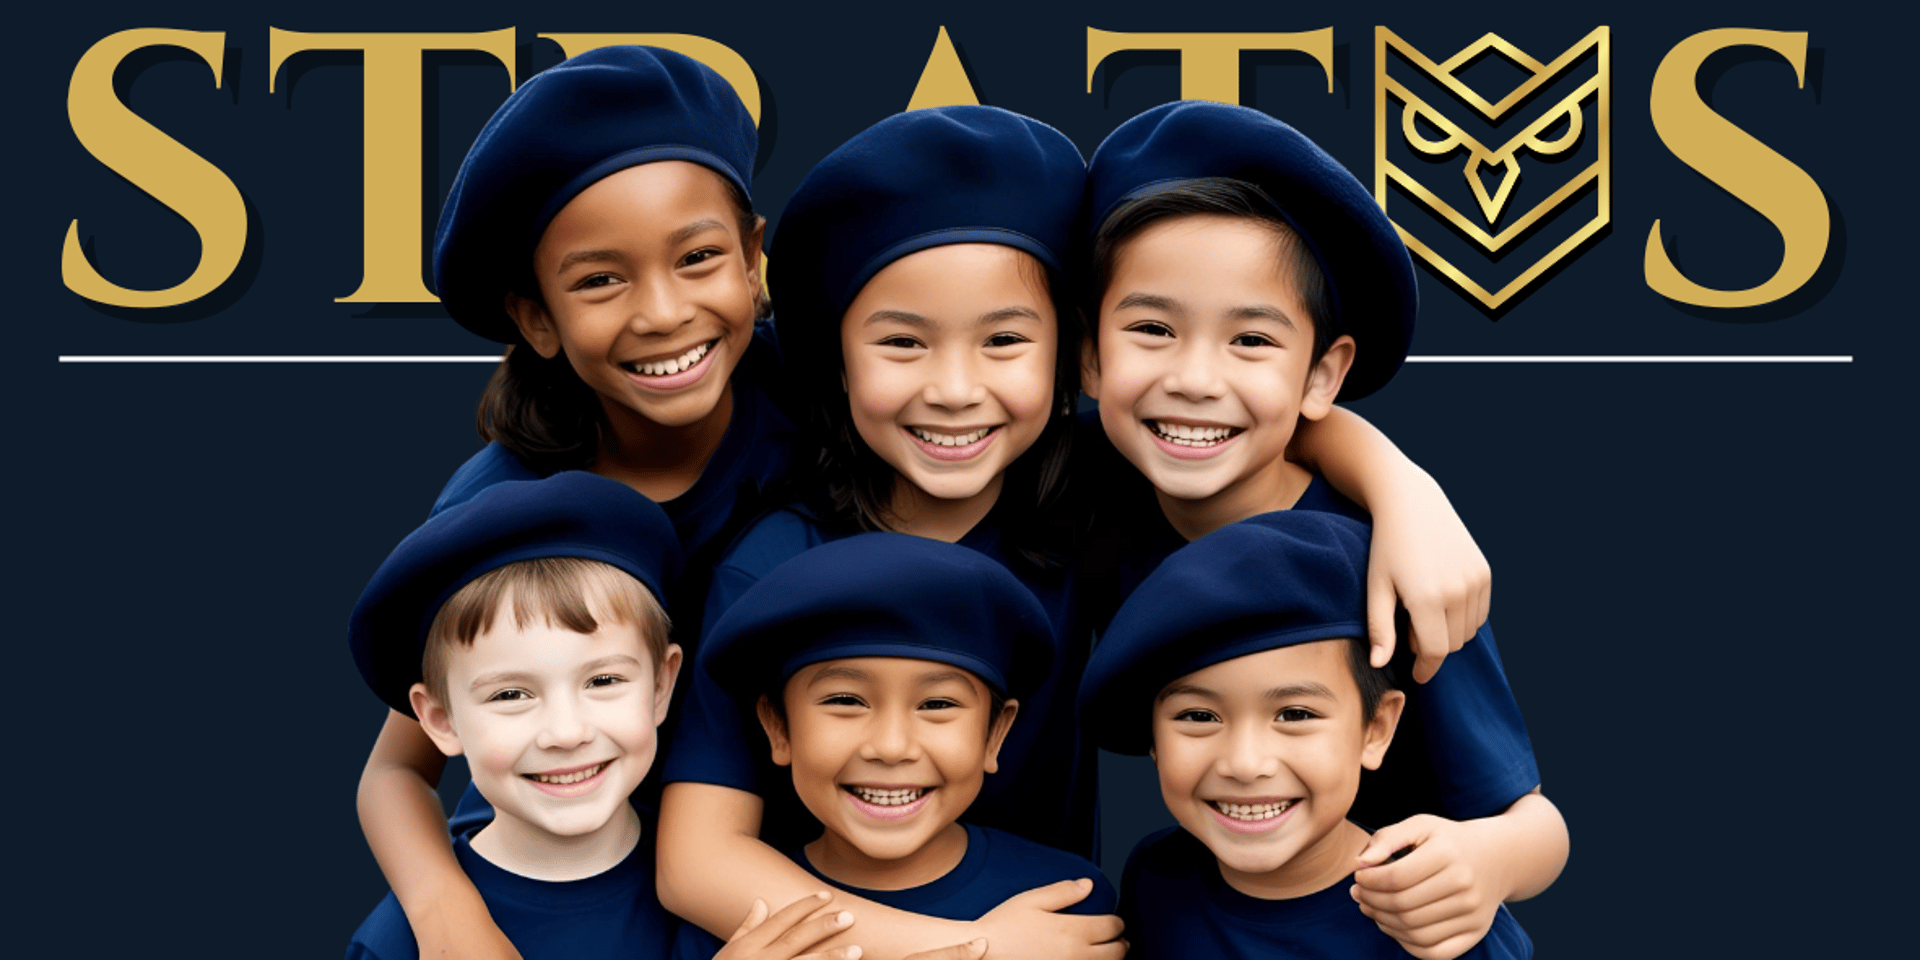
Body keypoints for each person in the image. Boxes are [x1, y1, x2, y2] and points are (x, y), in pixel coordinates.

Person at [1078, 100, 1566, 957]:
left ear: (1323, 372)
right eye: (1152, 329)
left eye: (1251, 340)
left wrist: (1481, 861)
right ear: (1089, 357)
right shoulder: (1091, 487)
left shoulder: (1392, 563)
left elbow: (1535, 822)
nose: (1193, 378)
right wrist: (1394, 473)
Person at [355, 46, 792, 960]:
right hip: (560, 882)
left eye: (700, 257)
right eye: (601, 279)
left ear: (755, 258)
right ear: (537, 318)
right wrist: (453, 922)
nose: (664, 313)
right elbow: (398, 767)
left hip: (755, 876)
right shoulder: (507, 507)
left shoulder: (827, 408)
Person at [1081, 511, 1534, 960]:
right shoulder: (1155, 879)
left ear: (1376, 728)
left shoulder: (1435, 914)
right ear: (1153, 739)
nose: (1245, 763)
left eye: (1294, 713)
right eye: (1199, 716)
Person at [675, 534, 1121, 960]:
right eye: (846, 701)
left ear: (995, 734)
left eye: (937, 704)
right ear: (778, 727)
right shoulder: (738, 930)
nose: (891, 747)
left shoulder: (1063, 906)